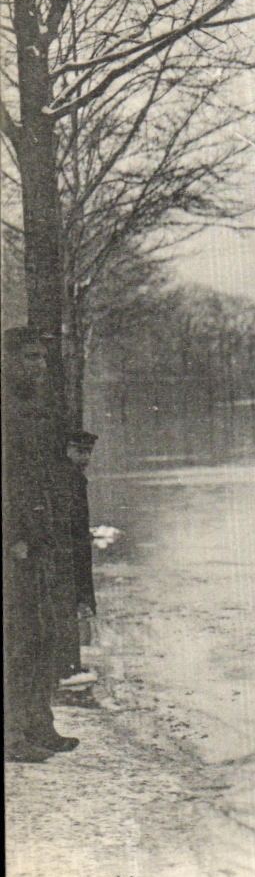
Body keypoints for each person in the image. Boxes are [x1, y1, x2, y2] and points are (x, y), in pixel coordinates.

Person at [4, 326, 77, 761]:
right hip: (16, 539)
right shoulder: (9, 408)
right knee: (17, 638)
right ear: (9, 361)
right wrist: (14, 535)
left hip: (42, 532)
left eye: (43, 360)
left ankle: (39, 724)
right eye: (30, 358)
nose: (39, 367)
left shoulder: (41, 407)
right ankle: (13, 737)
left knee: (41, 634)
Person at [49, 430, 99, 688]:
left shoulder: (70, 475)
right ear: (67, 450)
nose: (85, 456)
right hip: (67, 551)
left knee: (71, 603)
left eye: (88, 451)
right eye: (80, 450)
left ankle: (66, 665)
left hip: (72, 547)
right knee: (69, 603)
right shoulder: (68, 477)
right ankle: (66, 667)